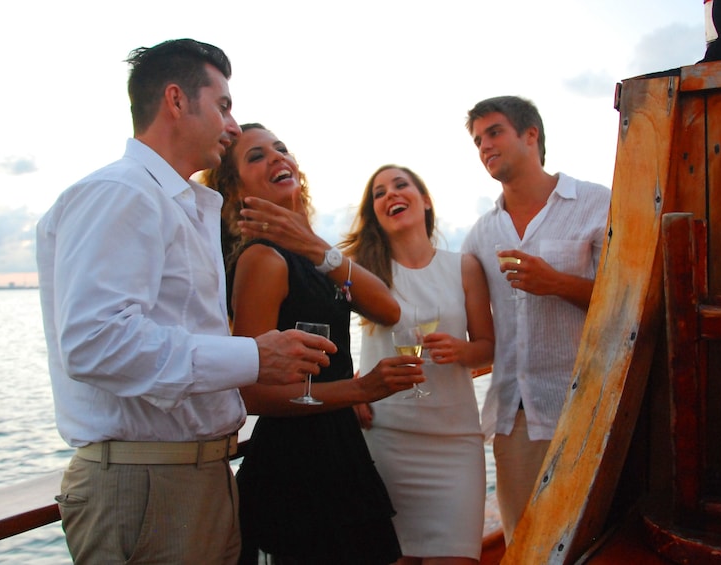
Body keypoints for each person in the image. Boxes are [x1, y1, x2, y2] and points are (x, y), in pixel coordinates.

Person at [36, 40, 335, 564]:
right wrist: (256, 355)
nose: (235, 126)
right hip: (145, 486)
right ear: (176, 100)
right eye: (223, 105)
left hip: (196, 477)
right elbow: (95, 343)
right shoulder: (121, 192)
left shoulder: (181, 206)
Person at [200, 123, 425, 565]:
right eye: (257, 156)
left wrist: (313, 244)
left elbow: (387, 308)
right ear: (234, 188)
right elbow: (252, 391)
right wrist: (360, 390)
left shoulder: (311, 257)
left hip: (340, 450)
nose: (277, 158)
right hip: (294, 466)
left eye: (281, 149)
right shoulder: (262, 260)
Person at [460, 95, 611, 543]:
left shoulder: (596, 204)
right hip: (515, 419)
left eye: (494, 132)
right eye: (477, 140)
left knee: (594, 542)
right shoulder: (479, 236)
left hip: (589, 408)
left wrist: (557, 282)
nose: (484, 145)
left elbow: (631, 303)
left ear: (531, 135)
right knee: (524, 544)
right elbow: (464, 323)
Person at [342, 164, 495, 565]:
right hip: (386, 439)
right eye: (378, 192)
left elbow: (487, 347)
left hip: (455, 441)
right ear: (374, 213)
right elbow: (329, 343)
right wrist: (350, 388)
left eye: (400, 185)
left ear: (424, 200)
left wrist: (462, 352)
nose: (390, 194)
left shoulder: (463, 267)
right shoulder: (361, 272)